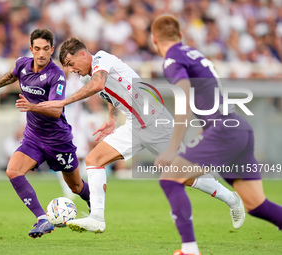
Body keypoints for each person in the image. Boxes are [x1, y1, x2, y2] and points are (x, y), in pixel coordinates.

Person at [39, 36, 245, 233]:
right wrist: (112, 118)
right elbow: (108, 93)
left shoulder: (102, 58)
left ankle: (231, 199)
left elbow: (100, 84)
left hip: (155, 121)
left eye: (70, 62)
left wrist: (63, 102)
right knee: (94, 159)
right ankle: (97, 218)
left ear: (82, 54)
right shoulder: (88, 77)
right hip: (133, 126)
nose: (71, 69)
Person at [151, 15, 282, 255]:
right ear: (180, 36)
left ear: (153, 40)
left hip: (224, 131)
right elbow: (209, 100)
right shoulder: (194, 54)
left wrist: (172, 148)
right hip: (238, 128)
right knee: (256, 204)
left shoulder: (172, 59)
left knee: (170, 179)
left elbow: (184, 97)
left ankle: (189, 250)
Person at [0, 29, 90, 239]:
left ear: (52, 50)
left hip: (58, 141)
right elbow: (10, 76)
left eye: (46, 49)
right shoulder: (23, 64)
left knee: (77, 186)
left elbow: (56, 110)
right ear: (31, 49)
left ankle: (96, 205)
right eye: (37, 49)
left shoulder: (56, 75)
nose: (41, 54)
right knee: (13, 171)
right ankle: (42, 219)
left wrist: (32, 106)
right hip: (34, 138)